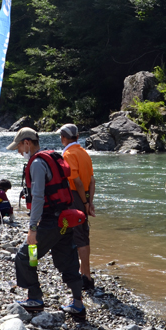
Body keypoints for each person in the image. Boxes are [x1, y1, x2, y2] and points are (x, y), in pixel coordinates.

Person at [7, 127, 85, 315]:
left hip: (50, 222)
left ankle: (35, 297)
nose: (18, 151)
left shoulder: (37, 164)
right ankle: (78, 304)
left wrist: (32, 228)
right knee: (68, 259)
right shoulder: (53, 158)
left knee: (25, 256)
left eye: (18, 147)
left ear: (27, 143)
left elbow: (38, 197)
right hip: (64, 220)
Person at [59, 123, 97, 290]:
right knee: (84, 235)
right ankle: (85, 271)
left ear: (63, 138)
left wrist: (83, 201)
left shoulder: (68, 154)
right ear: (77, 137)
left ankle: (86, 277)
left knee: (79, 237)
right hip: (85, 196)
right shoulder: (84, 153)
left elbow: (76, 181)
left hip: (76, 197)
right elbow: (92, 180)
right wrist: (90, 201)